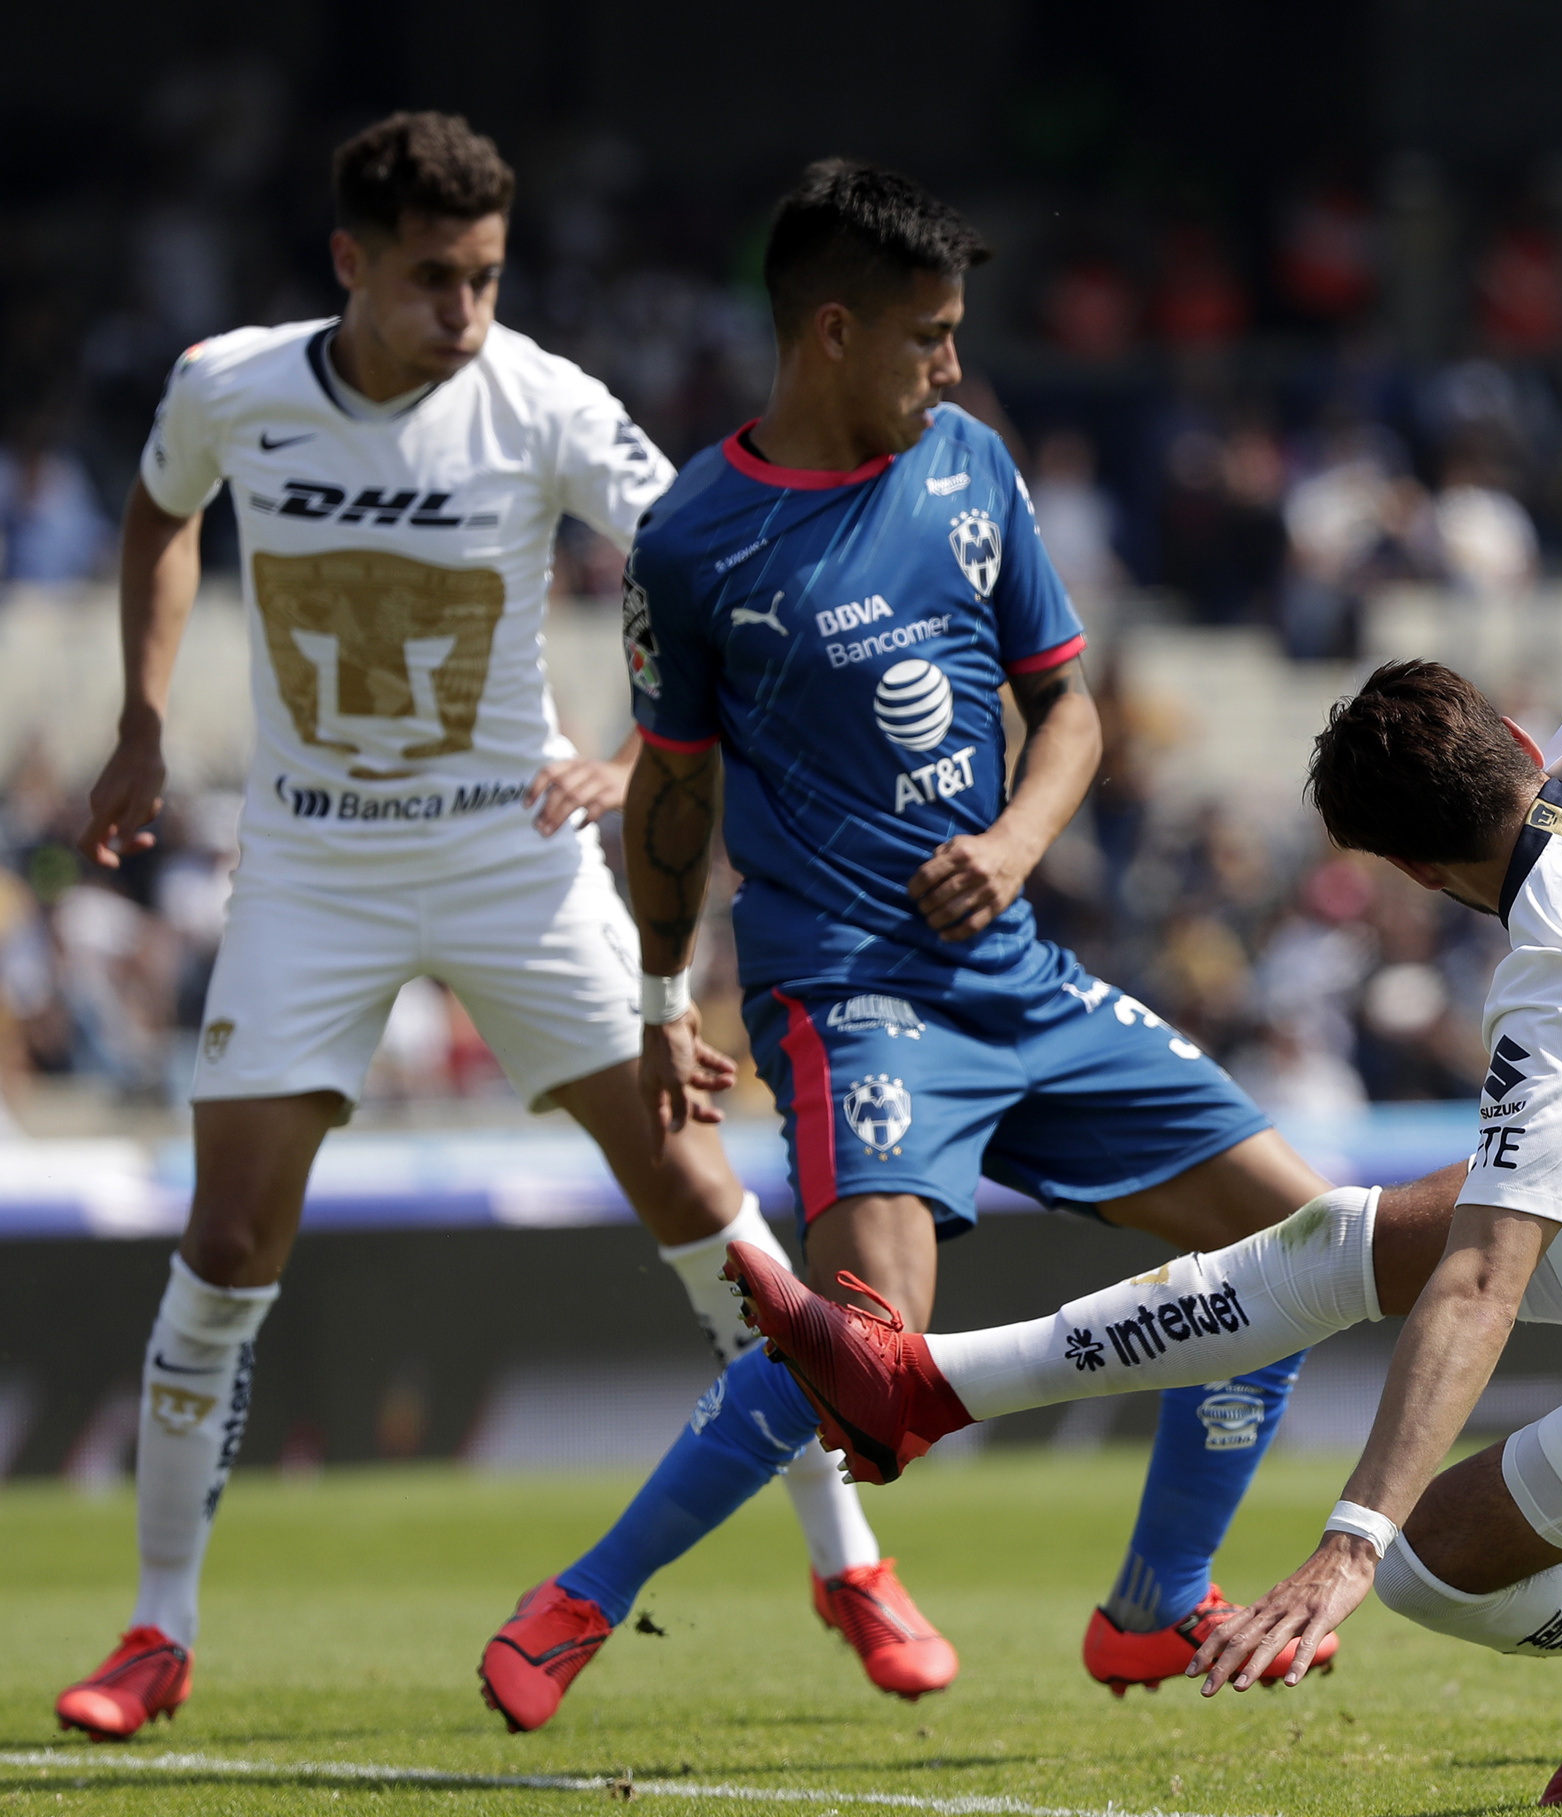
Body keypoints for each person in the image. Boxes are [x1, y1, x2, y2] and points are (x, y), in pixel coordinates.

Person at [728, 157, 1562, 1807]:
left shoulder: (1561, 984)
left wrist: (1351, 1541)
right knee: (1356, 1235)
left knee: (1435, 1563)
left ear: (1412, 875)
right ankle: (933, 1384)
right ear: (1530, 738)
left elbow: (1489, 1283)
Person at [53, 112, 932, 1744]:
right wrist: (140, 718)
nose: (469, 313)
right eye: (437, 281)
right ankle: (157, 1627)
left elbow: (706, 555)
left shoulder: (539, 400)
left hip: (514, 860)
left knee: (701, 1197)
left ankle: (851, 1560)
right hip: (311, 864)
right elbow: (160, 512)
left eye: (489, 278)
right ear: (350, 264)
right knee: (231, 1240)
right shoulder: (229, 383)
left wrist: (630, 754)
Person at [477, 159, 1342, 1726]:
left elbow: (1069, 707)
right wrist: (667, 993)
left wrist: (1015, 843)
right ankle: (581, 1598)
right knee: (872, 1353)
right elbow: (672, 793)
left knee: (1312, 1251)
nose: (951, 365)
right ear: (830, 333)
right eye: (928, 335)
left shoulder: (970, 467)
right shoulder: (696, 537)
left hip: (1016, 977)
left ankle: (1156, 1605)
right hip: (851, 994)